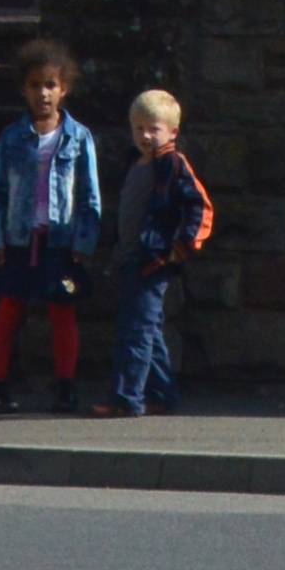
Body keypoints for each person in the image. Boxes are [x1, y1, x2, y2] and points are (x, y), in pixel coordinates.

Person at [0, 37, 102, 411]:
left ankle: (65, 386)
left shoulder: (78, 139)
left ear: (64, 89)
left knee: (62, 313)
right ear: (23, 89)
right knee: (8, 311)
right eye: (35, 85)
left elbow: (89, 197)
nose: (43, 94)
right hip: (18, 241)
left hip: (60, 244)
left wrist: (84, 242)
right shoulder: (12, 138)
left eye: (50, 85)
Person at [94, 87, 215, 419]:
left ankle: (126, 398)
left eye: (153, 128)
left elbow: (199, 208)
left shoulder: (173, 165)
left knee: (135, 331)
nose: (145, 135)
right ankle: (163, 395)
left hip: (153, 261)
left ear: (172, 132)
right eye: (138, 128)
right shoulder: (137, 163)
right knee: (148, 330)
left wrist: (180, 248)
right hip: (132, 258)